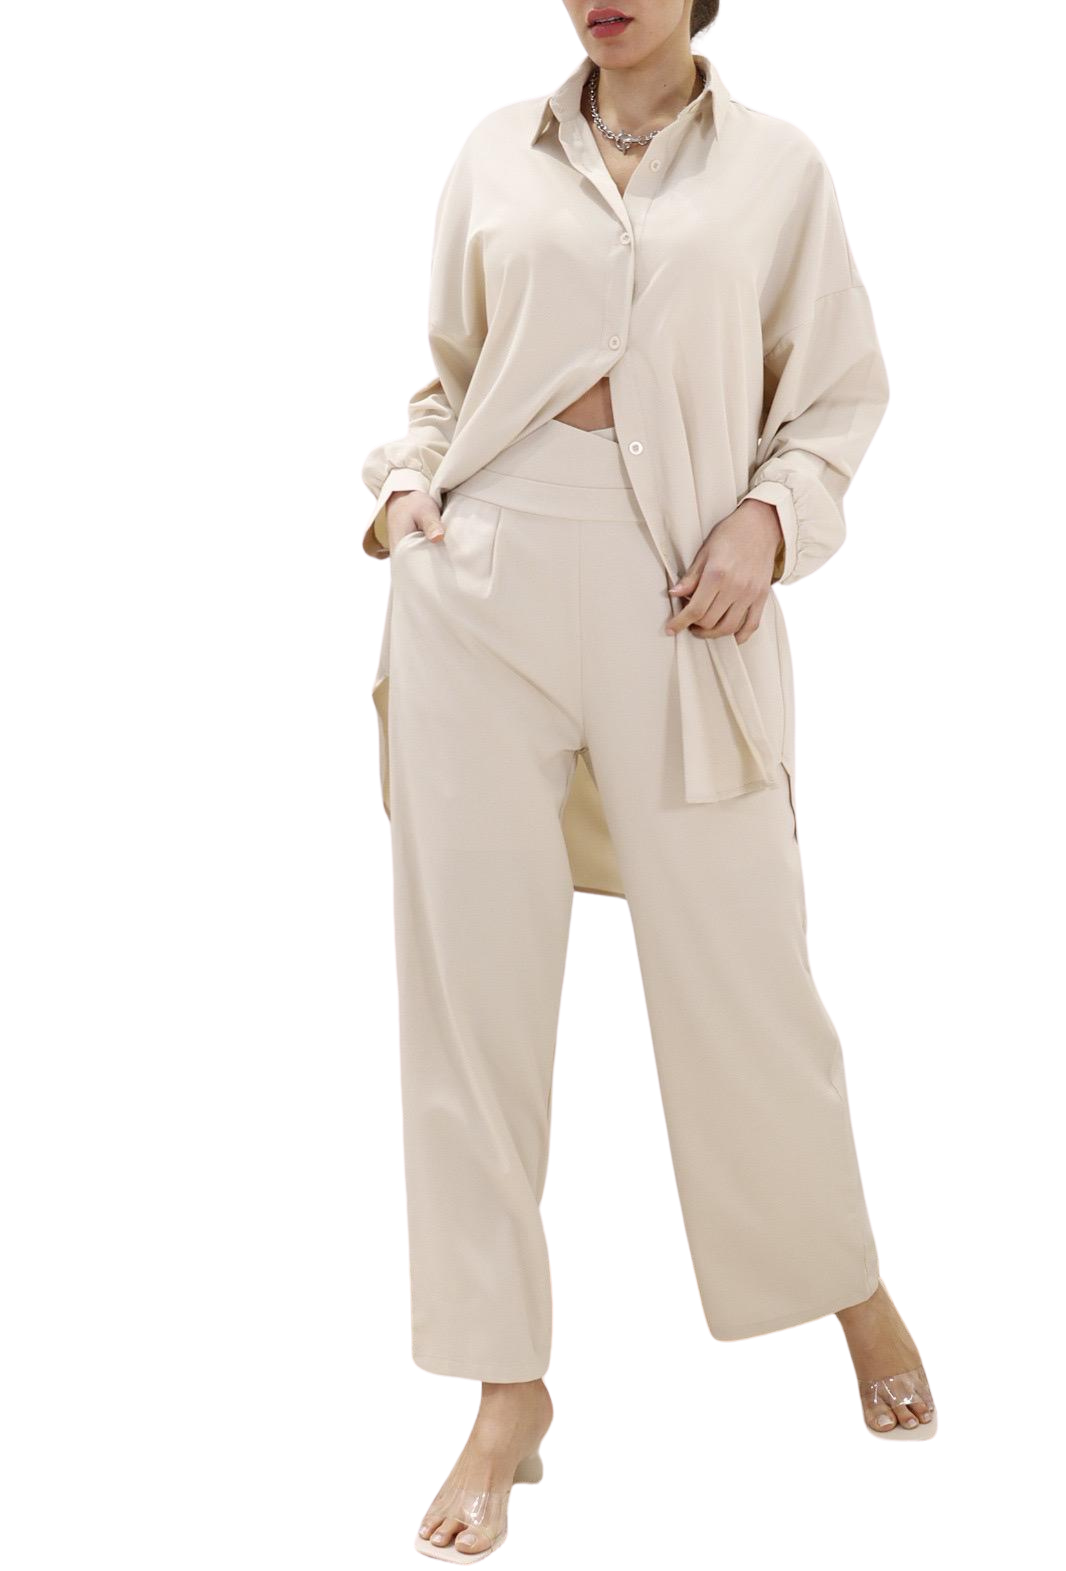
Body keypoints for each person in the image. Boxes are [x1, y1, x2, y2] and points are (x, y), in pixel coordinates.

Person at [360, 1, 938, 1560]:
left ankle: (851, 1290)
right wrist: (408, 492)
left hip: (678, 589)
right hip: (479, 582)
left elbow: (834, 400)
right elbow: (447, 383)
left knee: (746, 972)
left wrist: (768, 520)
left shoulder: (776, 168)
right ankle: (506, 1391)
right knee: (465, 1002)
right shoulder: (495, 152)